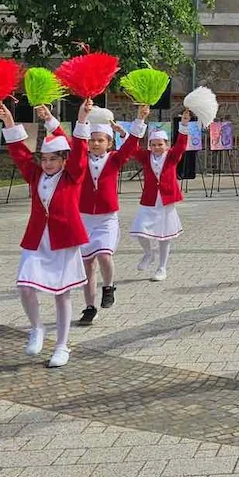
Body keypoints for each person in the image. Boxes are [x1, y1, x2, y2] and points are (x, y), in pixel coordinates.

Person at [0, 99, 92, 368]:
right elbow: (19, 154)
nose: (48, 163)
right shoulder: (35, 175)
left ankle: (62, 346)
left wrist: (82, 119)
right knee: (25, 287)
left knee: (61, 294)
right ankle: (37, 327)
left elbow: (79, 152)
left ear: (64, 160)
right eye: (44, 158)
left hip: (64, 240)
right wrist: (9, 123)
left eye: (54, 159)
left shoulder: (73, 176)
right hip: (37, 239)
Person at [74, 104, 149, 325]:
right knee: (87, 265)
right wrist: (81, 117)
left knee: (105, 256)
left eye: (100, 140)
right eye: (92, 140)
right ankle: (89, 307)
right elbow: (74, 142)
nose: (95, 144)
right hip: (84, 219)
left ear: (109, 143)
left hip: (107, 219)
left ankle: (109, 287)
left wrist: (140, 119)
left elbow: (132, 145)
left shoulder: (115, 159)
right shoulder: (80, 160)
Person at [128, 110, 192, 281]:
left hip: (166, 200)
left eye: (160, 144)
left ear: (166, 144)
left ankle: (162, 268)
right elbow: (132, 148)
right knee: (139, 231)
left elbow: (181, 145)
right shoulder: (145, 156)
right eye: (153, 144)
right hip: (148, 199)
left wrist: (184, 124)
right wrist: (136, 123)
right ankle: (148, 254)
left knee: (165, 236)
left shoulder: (172, 156)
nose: (157, 148)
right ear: (149, 145)